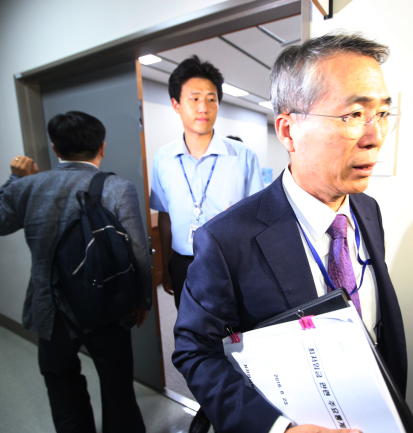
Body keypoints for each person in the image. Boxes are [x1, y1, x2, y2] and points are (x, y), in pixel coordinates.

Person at [173, 32, 406, 433]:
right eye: (353, 115)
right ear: (287, 130)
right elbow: (197, 352)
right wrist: (279, 429)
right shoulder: (227, 240)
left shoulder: (368, 210)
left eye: (382, 113)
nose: (375, 137)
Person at [0, 111, 152, 433]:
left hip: (49, 309)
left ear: (55, 149)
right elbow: (138, 251)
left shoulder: (29, 186)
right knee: (118, 389)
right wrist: (142, 300)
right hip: (108, 306)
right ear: (102, 147)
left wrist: (14, 177)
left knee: (63, 390)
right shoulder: (117, 187)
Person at [149, 55, 264, 433]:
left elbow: (254, 219)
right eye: (194, 97)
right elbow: (163, 215)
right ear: (176, 105)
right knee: (195, 340)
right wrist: (164, 265)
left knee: (237, 339)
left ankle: (238, 408)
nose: (204, 107)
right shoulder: (164, 159)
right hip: (184, 264)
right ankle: (209, 408)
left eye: (212, 98)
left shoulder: (242, 157)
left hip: (233, 264)